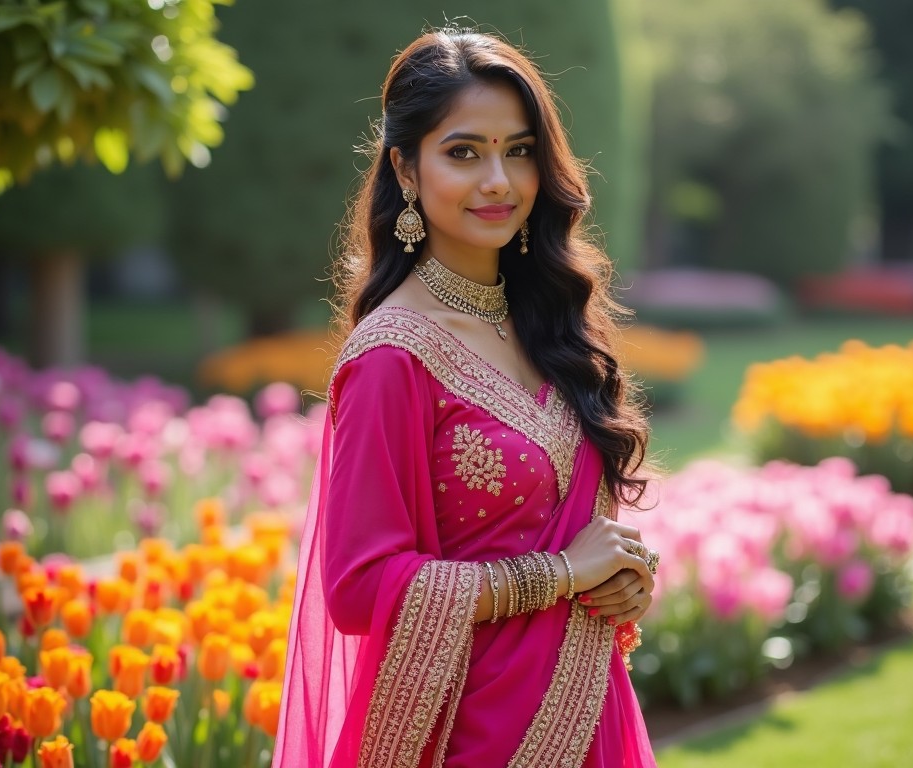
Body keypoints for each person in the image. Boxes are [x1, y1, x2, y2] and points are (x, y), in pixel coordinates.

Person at [273, 25, 660, 768]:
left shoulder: (548, 326)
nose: (499, 181)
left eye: (519, 151)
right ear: (406, 169)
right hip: (475, 734)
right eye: (464, 152)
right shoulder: (392, 357)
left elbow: (562, 521)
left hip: (592, 711)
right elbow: (357, 587)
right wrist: (561, 576)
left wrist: (620, 576)